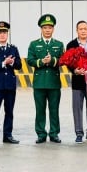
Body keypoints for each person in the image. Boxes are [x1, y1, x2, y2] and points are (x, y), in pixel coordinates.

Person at [28, 14, 65, 144]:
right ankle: (41, 134)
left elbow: (63, 60)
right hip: (39, 83)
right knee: (40, 110)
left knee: (54, 110)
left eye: (50, 27)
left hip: (54, 82)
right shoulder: (34, 44)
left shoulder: (59, 44)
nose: (47, 30)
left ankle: (54, 133)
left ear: (53, 29)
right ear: (41, 29)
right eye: (45, 27)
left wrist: (53, 60)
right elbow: (30, 60)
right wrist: (42, 61)